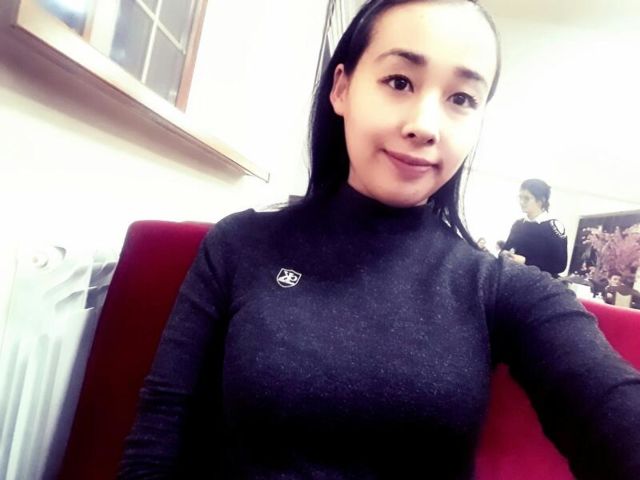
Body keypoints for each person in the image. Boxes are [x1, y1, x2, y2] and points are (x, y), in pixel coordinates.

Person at [120, 1, 640, 478]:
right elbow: (160, 432)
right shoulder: (241, 244)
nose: (425, 125)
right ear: (342, 89)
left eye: (462, 98)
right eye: (398, 81)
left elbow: (609, 408)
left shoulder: (501, 289)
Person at [501, 179, 568, 277]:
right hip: (516, 279)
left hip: (541, 282)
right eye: (520, 197)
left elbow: (559, 265)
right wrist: (505, 254)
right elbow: (506, 248)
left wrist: (526, 261)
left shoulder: (553, 227)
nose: (521, 202)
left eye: (527, 198)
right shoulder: (518, 224)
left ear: (541, 200)